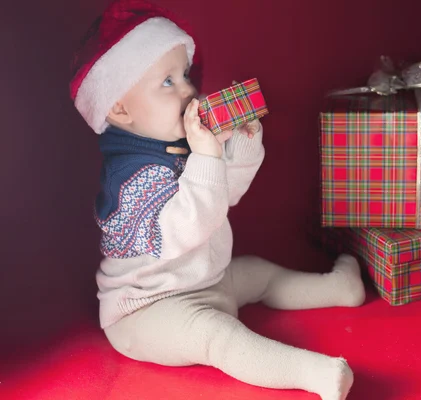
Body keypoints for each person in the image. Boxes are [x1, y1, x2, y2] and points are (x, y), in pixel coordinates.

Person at [69, 1, 366, 399]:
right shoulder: (130, 180)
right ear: (120, 108)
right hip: (149, 309)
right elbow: (189, 228)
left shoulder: (178, 144)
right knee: (219, 336)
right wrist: (207, 157)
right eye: (168, 82)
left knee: (259, 273)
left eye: (185, 74)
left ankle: (338, 288)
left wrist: (240, 145)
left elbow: (222, 199)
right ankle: (315, 373)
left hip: (207, 280)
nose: (189, 89)